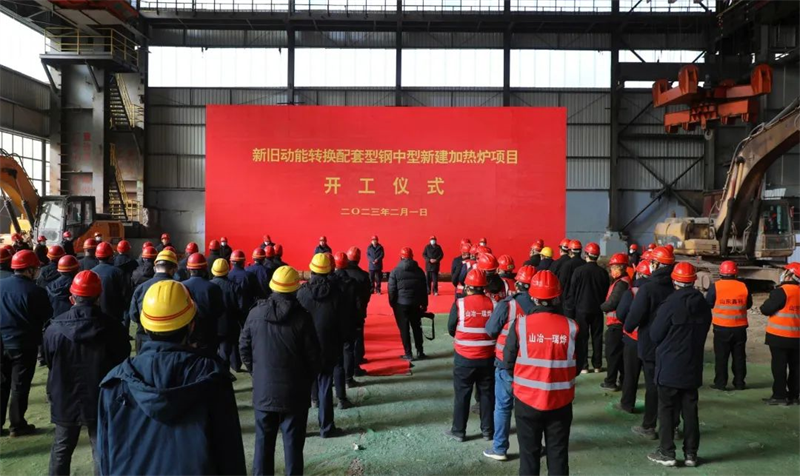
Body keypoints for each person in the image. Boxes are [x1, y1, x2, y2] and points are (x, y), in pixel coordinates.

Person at [97, 280, 246, 476]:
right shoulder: (212, 378)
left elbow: (106, 458)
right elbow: (230, 455)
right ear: (192, 325)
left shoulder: (116, 383)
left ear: (145, 326)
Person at [42, 270, 130, 476]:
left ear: (72, 298)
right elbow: (122, 360)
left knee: (62, 448)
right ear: (98, 297)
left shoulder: (53, 329)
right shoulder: (113, 328)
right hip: (100, 397)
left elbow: (48, 360)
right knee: (101, 449)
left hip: (64, 395)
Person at [240, 266, 320, 476]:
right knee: (293, 445)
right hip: (294, 393)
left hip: (264, 391)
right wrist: (305, 381)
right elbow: (313, 358)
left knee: (263, 443)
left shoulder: (255, 313)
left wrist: (257, 373)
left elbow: (244, 348)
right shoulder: (303, 318)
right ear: (295, 289)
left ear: (272, 286)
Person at [503, 270, 580, 476]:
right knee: (558, 455)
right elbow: (578, 364)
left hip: (526, 402)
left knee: (529, 456)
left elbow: (508, 362)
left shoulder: (520, 325)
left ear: (533, 298)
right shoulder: (572, 327)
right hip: (560, 402)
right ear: (557, 297)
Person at [647, 262, 711, 468]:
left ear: (674, 281)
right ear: (693, 281)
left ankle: (667, 452)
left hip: (670, 367)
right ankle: (691, 454)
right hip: (692, 367)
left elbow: (655, 334)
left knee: (666, 410)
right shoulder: (702, 304)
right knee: (690, 411)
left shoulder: (670, 305)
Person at [483, 265, 536, 461]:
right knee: (530, 408)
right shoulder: (543, 308)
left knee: (503, 407)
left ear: (518, 284)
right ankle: (533, 448)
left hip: (506, 364)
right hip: (532, 365)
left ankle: (500, 449)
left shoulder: (508, 305)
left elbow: (490, 330)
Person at [624, 246, 675, 440]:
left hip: (650, 345)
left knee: (653, 387)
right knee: (670, 386)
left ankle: (649, 425)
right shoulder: (675, 288)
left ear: (656, 264)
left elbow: (633, 318)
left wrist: (628, 326)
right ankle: (672, 426)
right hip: (671, 345)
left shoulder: (647, 289)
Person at [0, 250, 53, 437]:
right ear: (29, 270)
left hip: (1, 343)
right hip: (24, 345)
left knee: (1, 384)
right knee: (19, 386)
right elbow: (46, 316)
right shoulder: (36, 291)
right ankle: (17, 425)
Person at [297, 253, 347, 437]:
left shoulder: (302, 293)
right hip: (328, 345)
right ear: (329, 270)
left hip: (305, 346)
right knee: (326, 383)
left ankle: (299, 428)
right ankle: (326, 427)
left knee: (303, 386)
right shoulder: (337, 293)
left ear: (312, 270)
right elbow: (343, 323)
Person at [446, 269, 496, 443]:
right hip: (488, 357)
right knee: (487, 395)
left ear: (467, 287)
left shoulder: (460, 304)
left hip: (464, 358)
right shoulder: (494, 304)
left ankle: (459, 431)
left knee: (462, 395)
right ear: (484, 287)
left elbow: (451, 328)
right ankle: (488, 431)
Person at [706, 260, 752, 391]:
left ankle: (720, 383)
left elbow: (709, 303)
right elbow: (748, 304)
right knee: (739, 357)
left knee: (721, 357)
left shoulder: (716, 286)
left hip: (721, 328)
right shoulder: (743, 286)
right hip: (740, 328)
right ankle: (739, 383)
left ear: (721, 272)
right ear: (735, 273)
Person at [759, 262, 800, 405]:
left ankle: (779, 395)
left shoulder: (781, 292)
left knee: (779, 367)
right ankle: (794, 396)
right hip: (797, 338)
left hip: (779, 337)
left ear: (790, 275)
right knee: (796, 368)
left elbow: (765, 309)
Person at [565, 242, 609, 374]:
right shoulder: (603, 273)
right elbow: (606, 291)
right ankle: (597, 365)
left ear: (586, 254)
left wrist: (570, 310)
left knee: (582, 338)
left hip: (581, 310)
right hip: (597, 309)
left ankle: (584, 365)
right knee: (597, 337)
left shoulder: (579, 271)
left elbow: (572, 292)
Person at [615, 260, 651, 413]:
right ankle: (653, 409)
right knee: (652, 379)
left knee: (630, 375)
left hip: (633, 339)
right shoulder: (661, 292)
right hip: (652, 341)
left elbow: (620, 314)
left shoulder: (632, 292)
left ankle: (627, 404)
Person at [129, 250, 179, 352]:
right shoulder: (180, 289)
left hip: (144, 341)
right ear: (174, 269)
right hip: (171, 344)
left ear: (155, 268)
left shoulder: (141, 288)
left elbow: (133, 316)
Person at [388, 247, 429, 361]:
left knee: (404, 329)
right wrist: (424, 304)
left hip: (401, 304)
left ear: (401, 256)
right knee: (417, 327)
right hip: (415, 304)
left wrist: (393, 304)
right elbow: (424, 290)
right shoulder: (419, 271)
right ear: (412, 256)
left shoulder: (395, 271)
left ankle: (408, 353)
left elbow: (392, 290)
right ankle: (420, 351)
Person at [599, 253, 631, 390]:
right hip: (619, 324)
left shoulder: (621, 284)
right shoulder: (623, 281)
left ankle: (610, 381)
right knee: (619, 355)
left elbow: (612, 303)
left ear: (620, 268)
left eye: (613, 268)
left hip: (616, 324)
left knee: (612, 354)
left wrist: (601, 307)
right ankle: (623, 381)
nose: (611, 271)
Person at [182, 253, 224, 353]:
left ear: (189, 269)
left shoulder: (181, 286)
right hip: (209, 333)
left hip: (187, 334)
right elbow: (220, 311)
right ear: (205, 269)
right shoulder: (213, 287)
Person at [211, 259, 246, 373]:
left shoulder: (209, 286)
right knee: (230, 347)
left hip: (213, 324)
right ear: (227, 270)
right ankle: (233, 367)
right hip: (230, 324)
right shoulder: (234, 287)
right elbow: (241, 306)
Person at [332, 252, 360, 388]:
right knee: (348, 349)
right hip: (349, 320)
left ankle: (334, 379)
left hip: (333, 321)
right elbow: (358, 304)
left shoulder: (330, 281)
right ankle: (349, 379)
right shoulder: (352, 283)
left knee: (334, 351)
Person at [343, 247, 371, 376]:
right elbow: (367, 295)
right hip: (358, 312)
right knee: (358, 337)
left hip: (343, 312)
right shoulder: (363, 276)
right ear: (359, 259)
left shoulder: (341, 274)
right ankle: (357, 362)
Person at [92, 242, 128, 324]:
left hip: (96, 315)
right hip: (114, 315)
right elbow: (125, 293)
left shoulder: (91, 272)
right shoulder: (118, 272)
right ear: (111, 257)